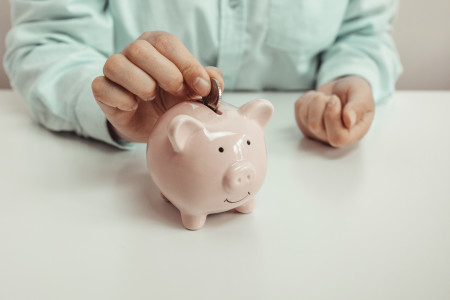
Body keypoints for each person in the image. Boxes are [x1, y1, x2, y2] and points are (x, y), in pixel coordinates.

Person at [4, 0, 402, 148]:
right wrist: (111, 109)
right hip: (130, 160)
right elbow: (47, 39)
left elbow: (364, 33)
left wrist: (352, 76)